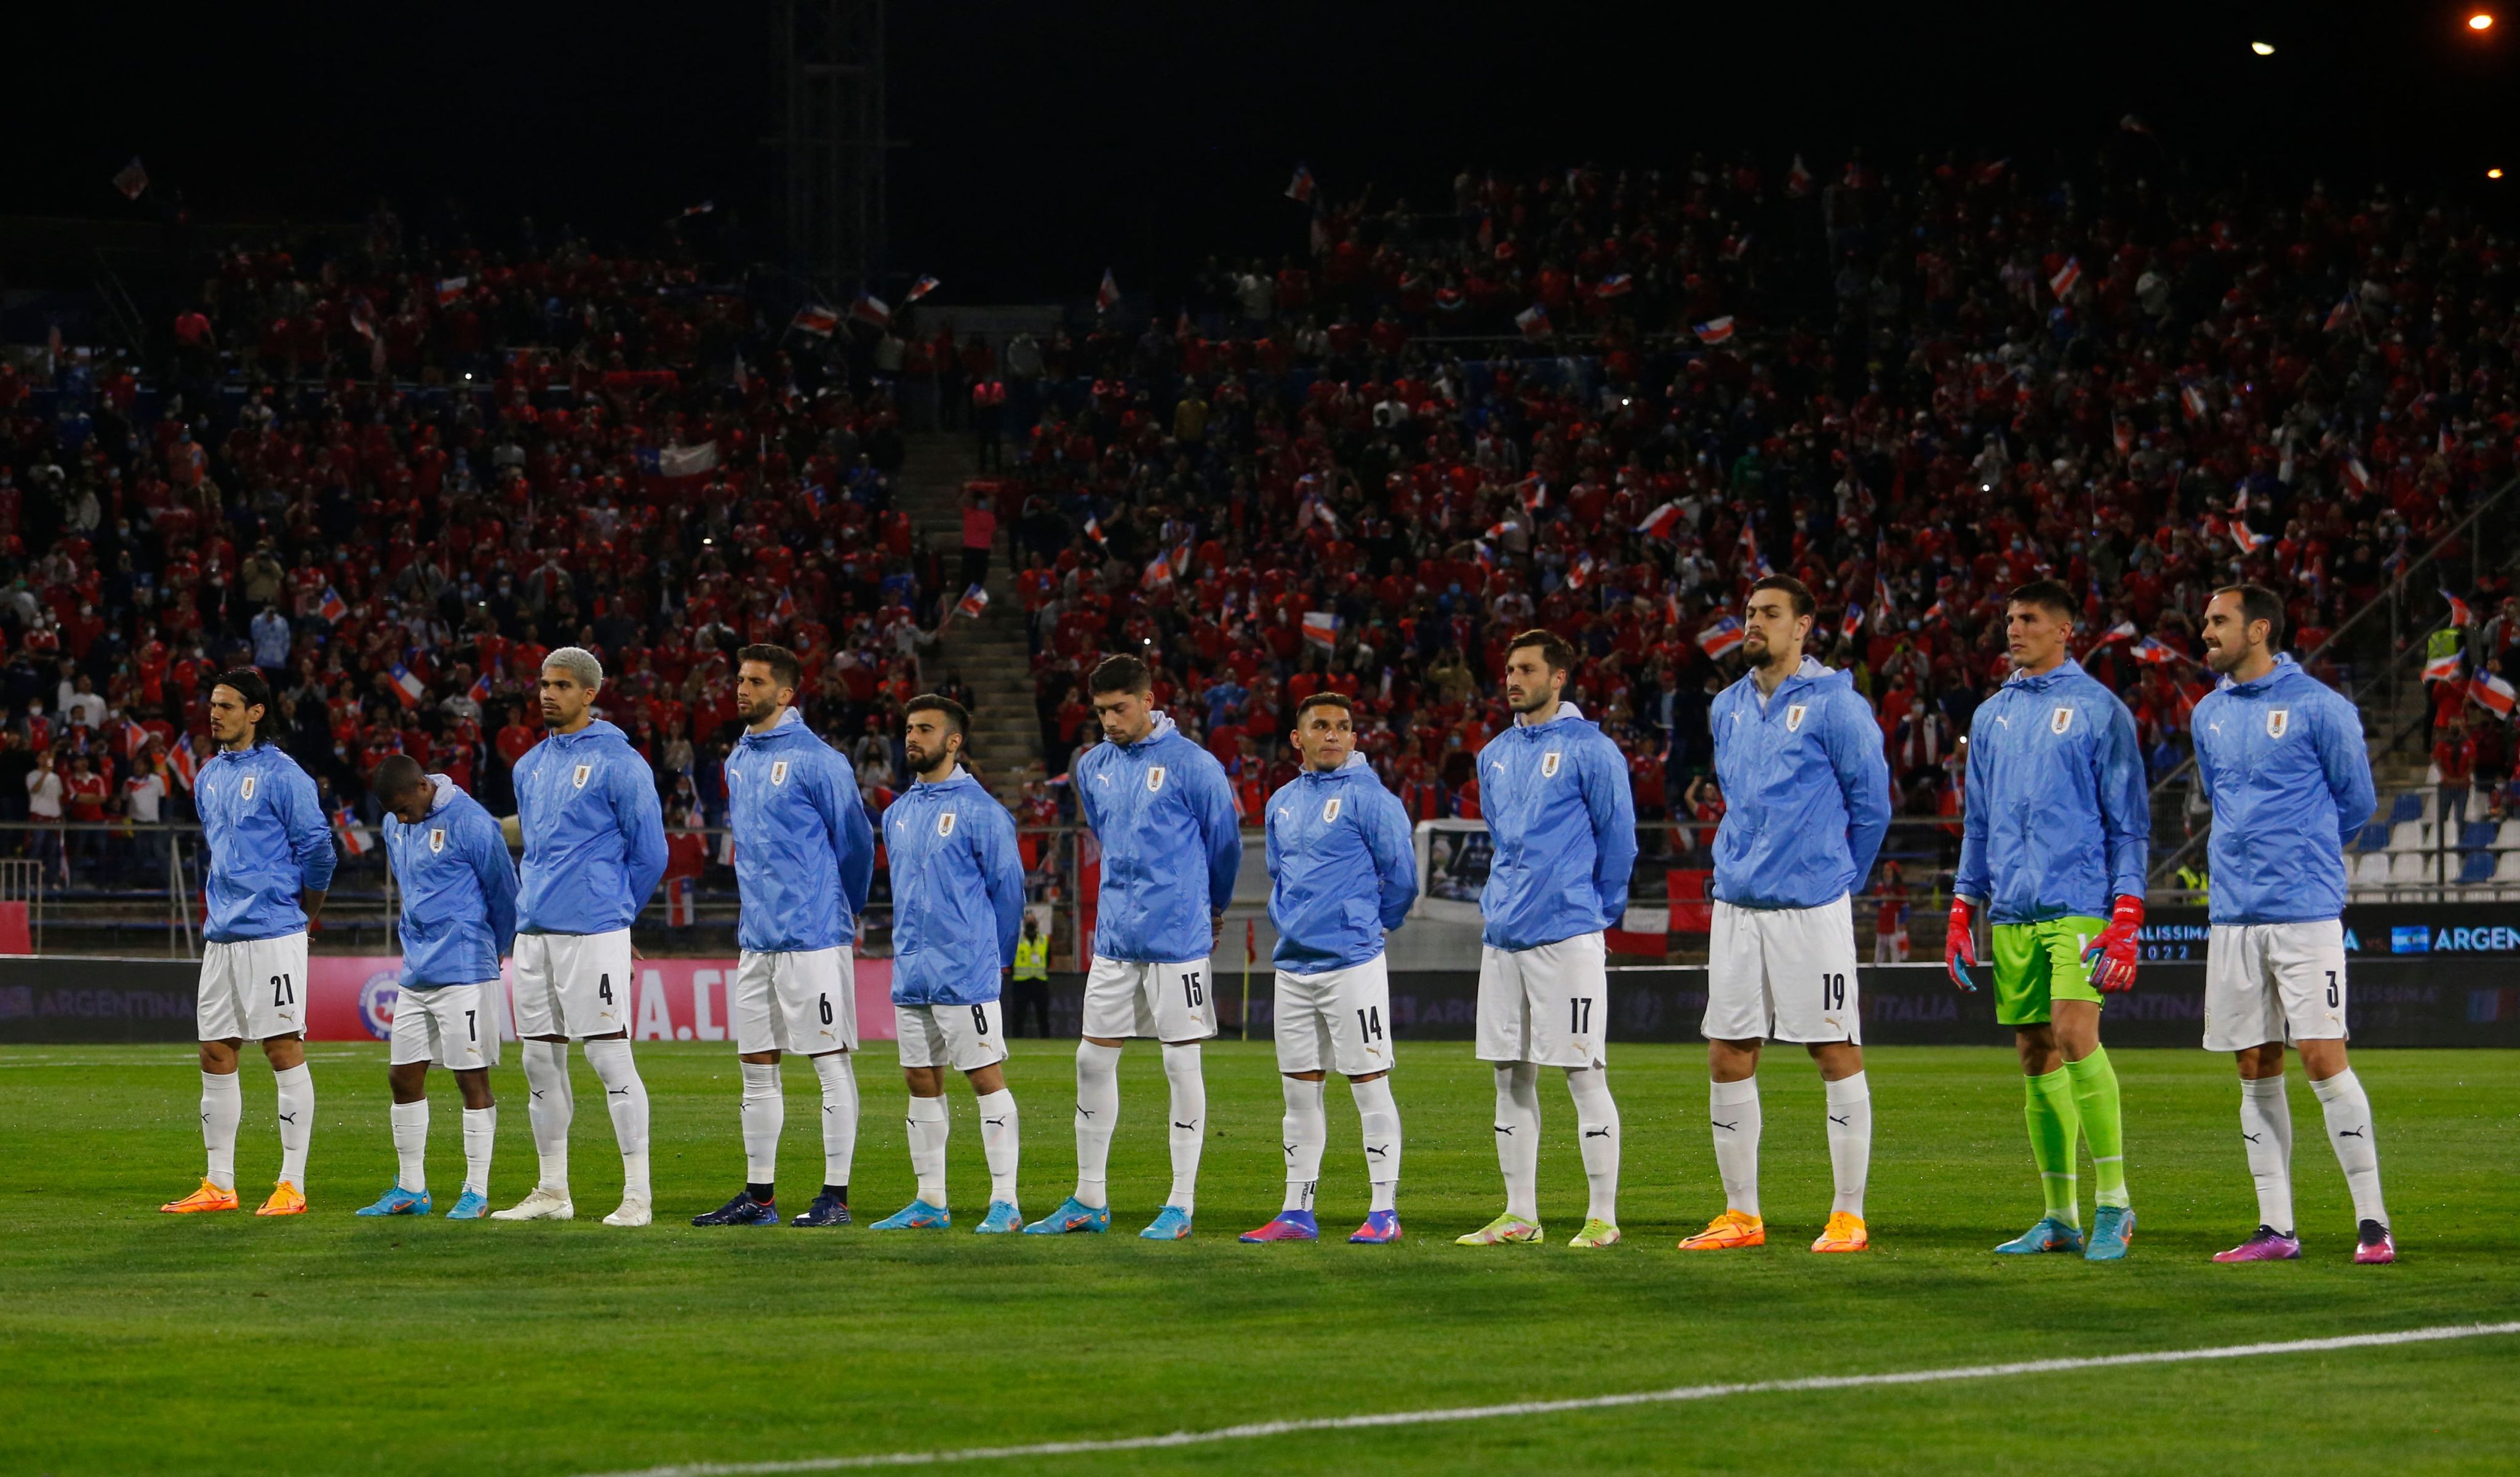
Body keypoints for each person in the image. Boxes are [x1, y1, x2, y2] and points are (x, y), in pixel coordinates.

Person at [1680, 579, 1891, 1255]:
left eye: (1769, 614)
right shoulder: (1727, 707)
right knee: (1727, 1052)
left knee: (1832, 1049)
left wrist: (1835, 881)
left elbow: (1873, 808)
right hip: (1738, 905)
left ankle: (1847, 1216)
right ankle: (1741, 1214)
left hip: (1811, 908)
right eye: (1748, 613)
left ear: (1802, 627)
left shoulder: (1838, 706)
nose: (1753, 623)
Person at [1947, 581, 2150, 1260]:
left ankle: (2115, 1205)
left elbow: (2128, 821)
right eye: (2008, 619)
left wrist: (2126, 911)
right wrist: (1961, 906)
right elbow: (1977, 822)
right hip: (2011, 909)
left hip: (2081, 901)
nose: (2014, 629)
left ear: (2064, 630)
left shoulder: (2099, 710)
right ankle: (2058, 1214)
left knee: (2071, 1030)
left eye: (2029, 619)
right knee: (2034, 1051)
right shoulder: (1992, 716)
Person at [2191, 585, 2393, 1264]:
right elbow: (2219, 798)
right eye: (2206, 621)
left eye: (2219, 621)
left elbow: (2357, 800)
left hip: (2303, 911)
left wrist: (2298, 854)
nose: (2206, 631)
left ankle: (2372, 1223)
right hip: (2232, 916)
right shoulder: (2207, 714)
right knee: (2254, 1063)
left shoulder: (2319, 707)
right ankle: (2275, 1228)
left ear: (2259, 629)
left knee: (2320, 1056)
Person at [1024, 654, 1240, 1241]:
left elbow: (1225, 847)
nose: (1109, 721)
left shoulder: (1194, 765)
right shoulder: (1092, 766)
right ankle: (1089, 1200)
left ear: (1150, 700)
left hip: (1179, 939)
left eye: (1119, 708)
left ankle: (1181, 1205)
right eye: (1100, 712)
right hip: (1117, 938)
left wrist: (1210, 908)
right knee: (1091, 1059)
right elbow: (1103, 833)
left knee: (1179, 1060)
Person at [1455, 629, 1638, 1251]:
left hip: (1567, 934)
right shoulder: (1495, 753)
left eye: (1526, 669)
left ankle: (1602, 1217)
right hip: (1504, 936)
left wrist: (1594, 910)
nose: (1512, 678)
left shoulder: (1592, 750)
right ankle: (1520, 1215)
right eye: (1508, 668)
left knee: (1582, 1073)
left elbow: (1620, 842)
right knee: (1510, 1076)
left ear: (1557, 677)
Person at [692, 645, 875, 1230]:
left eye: (756, 682)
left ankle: (836, 1198)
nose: (742, 689)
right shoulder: (739, 758)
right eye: (740, 679)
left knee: (828, 1064)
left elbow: (855, 845)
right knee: (756, 1067)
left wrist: (841, 910)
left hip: (813, 936)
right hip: (758, 940)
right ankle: (760, 1198)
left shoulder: (820, 760)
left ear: (787, 694)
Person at [492, 648, 668, 1228]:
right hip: (535, 931)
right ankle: (552, 1191)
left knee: (609, 1057)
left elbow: (651, 852)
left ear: (589, 694)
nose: (547, 694)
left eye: (562, 685)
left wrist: (618, 916)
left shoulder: (621, 763)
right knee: (539, 1060)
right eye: (543, 684)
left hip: (592, 930)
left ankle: (637, 1196)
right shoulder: (529, 766)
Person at [1241, 692, 1417, 1246]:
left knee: (1368, 1084)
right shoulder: (1281, 803)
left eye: (1344, 726)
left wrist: (1367, 924)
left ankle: (1384, 1212)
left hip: (1351, 965)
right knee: (1299, 1094)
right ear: (1299, 738)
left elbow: (1404, 879)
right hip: (1293, 966)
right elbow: (1280, 873)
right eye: (1321, 726)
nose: (1334, 734)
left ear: (1355, 737)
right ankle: (1297, 1211)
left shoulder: (1373, 799)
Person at [159, 669, 336, 1217]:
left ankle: (292, 1185)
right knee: (215, 1051)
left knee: (282, 1049)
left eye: (227, 706)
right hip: (222, 935)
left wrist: (303, 915)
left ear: (256, 712)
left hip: (273, 932)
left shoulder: (285, 776)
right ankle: (220, 1184)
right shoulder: (208, 776)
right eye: (212, 705)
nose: (215, 714)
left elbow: (320, 852)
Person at [866, 695, 1028, 1233]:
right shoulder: (897, 814)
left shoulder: (983, 812)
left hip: (965, 971)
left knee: (984, 1076)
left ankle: (1005, 1203)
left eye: (926, 730)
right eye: (910, 728)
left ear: (953, 741)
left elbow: (1009, 893)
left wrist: (993, 960)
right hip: (913, 971)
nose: (913, 737)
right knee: (919, 1078)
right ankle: (930, 1202)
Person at [359, 755, 518, 1220]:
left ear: (425, 787)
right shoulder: (396, 824)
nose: (401, 819)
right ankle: (411, 1189)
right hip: (416, 970)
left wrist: (498, 947)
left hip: (466, 968)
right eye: (395, 813)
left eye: (405, 809)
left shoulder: (472, 823)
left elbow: (505, 892)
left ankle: (477, 1192)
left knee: (472, 1078)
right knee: (402, 1076)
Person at [1011, 913, 1051, 1036]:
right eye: (1028, 921)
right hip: (1021, 982)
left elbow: (1049, 960)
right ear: (1023, 924)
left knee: (1043, 1014)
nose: (1030, 924)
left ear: (1037, 924)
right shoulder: (1017, 940)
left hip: (1039, 981)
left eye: (1032, 921)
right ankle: (1017, 1040)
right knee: (1019, 1014)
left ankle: (1046, 1039)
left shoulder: (1044, 940)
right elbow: (1010, 960)